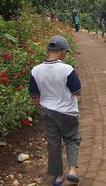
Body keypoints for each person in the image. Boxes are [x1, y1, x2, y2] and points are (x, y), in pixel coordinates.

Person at [29, 35, 81, 186]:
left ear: (47, 50)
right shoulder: (67, 69)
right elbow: (77, 90)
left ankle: (58, 176)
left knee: (53, 144)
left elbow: (34, 95)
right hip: (68, 112)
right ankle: (72, 170)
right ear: (63, 52)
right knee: (71, 138)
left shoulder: (35, 70)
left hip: (48, 112)